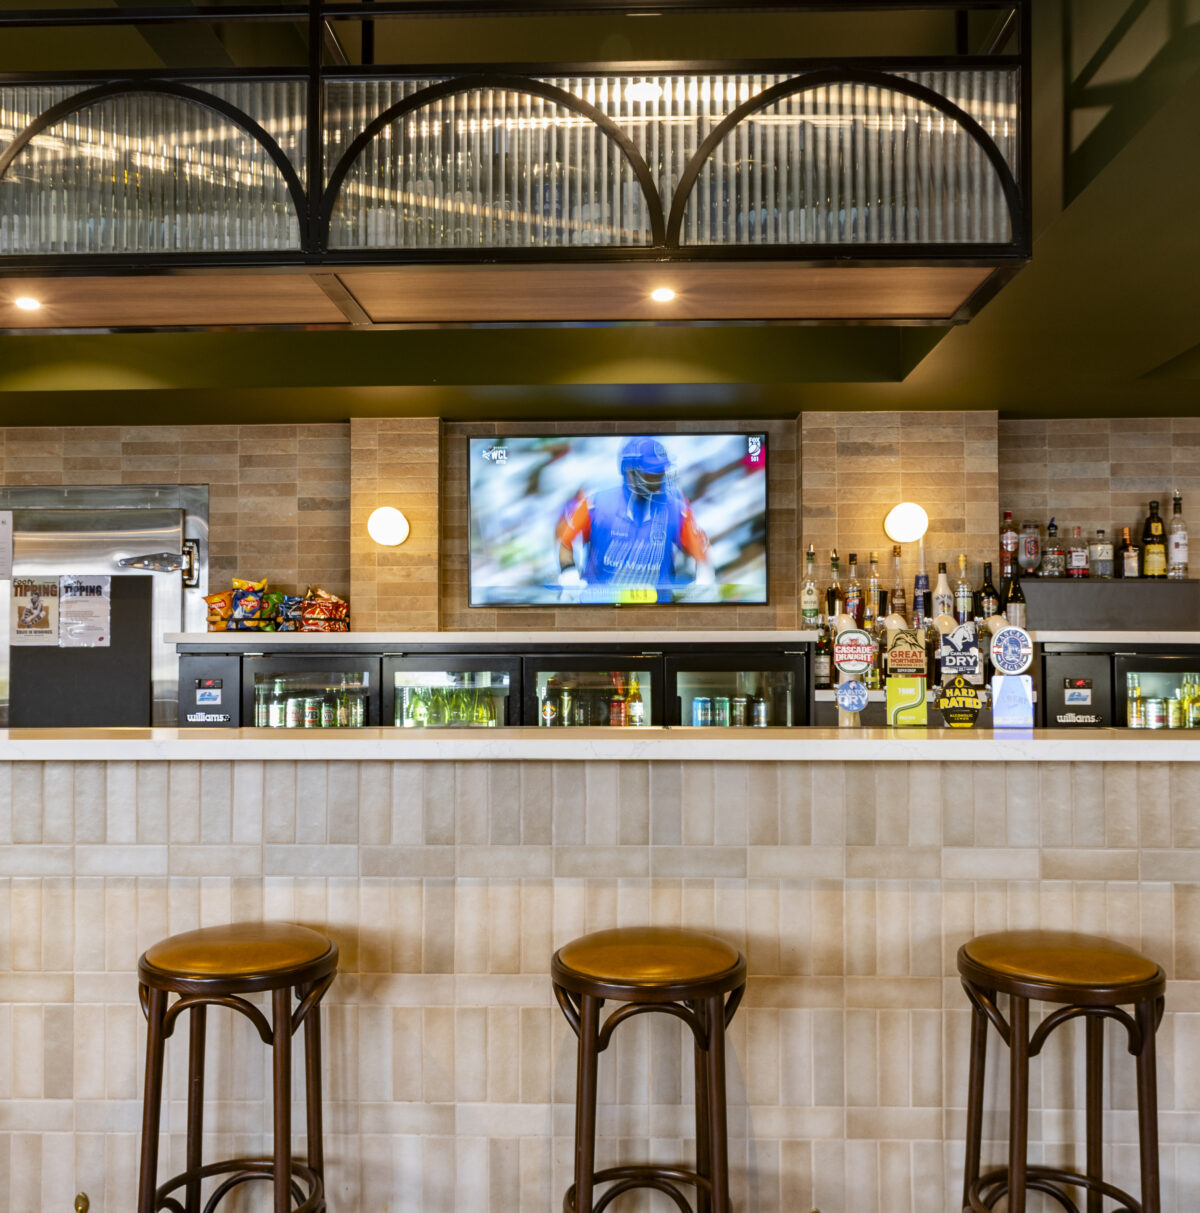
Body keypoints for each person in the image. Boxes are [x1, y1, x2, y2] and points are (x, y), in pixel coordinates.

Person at [555, 436, 715, 603]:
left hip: (657, 612)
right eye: (651, 475)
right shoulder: (596, 505)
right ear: (630, 473)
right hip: (600, 608)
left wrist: (705, 579)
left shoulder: (676, 508)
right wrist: (568, 574)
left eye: (660, 473)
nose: (658, 481)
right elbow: (565, 543)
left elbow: (701, 553)